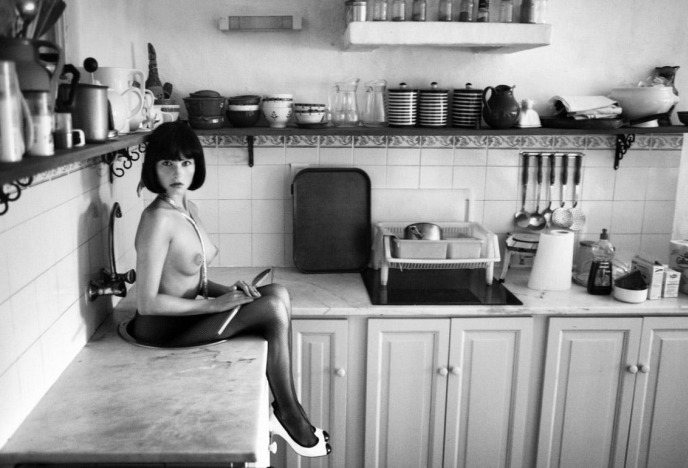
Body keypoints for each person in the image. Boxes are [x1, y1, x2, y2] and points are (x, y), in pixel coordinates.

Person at [127, 121, 330, 458]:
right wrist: (213, 305)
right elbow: (146, 303)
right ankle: (290, 416)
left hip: (186, 319)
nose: (178, 172)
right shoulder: (157, 220)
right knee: (271, 308)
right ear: (153, 167)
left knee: (277, 292)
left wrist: (226, 292)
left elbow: (191, 277)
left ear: (196, 165)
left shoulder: (188, 209)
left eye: (186, 162)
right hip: (164, 331)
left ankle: (289, 409)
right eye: (167, 163)